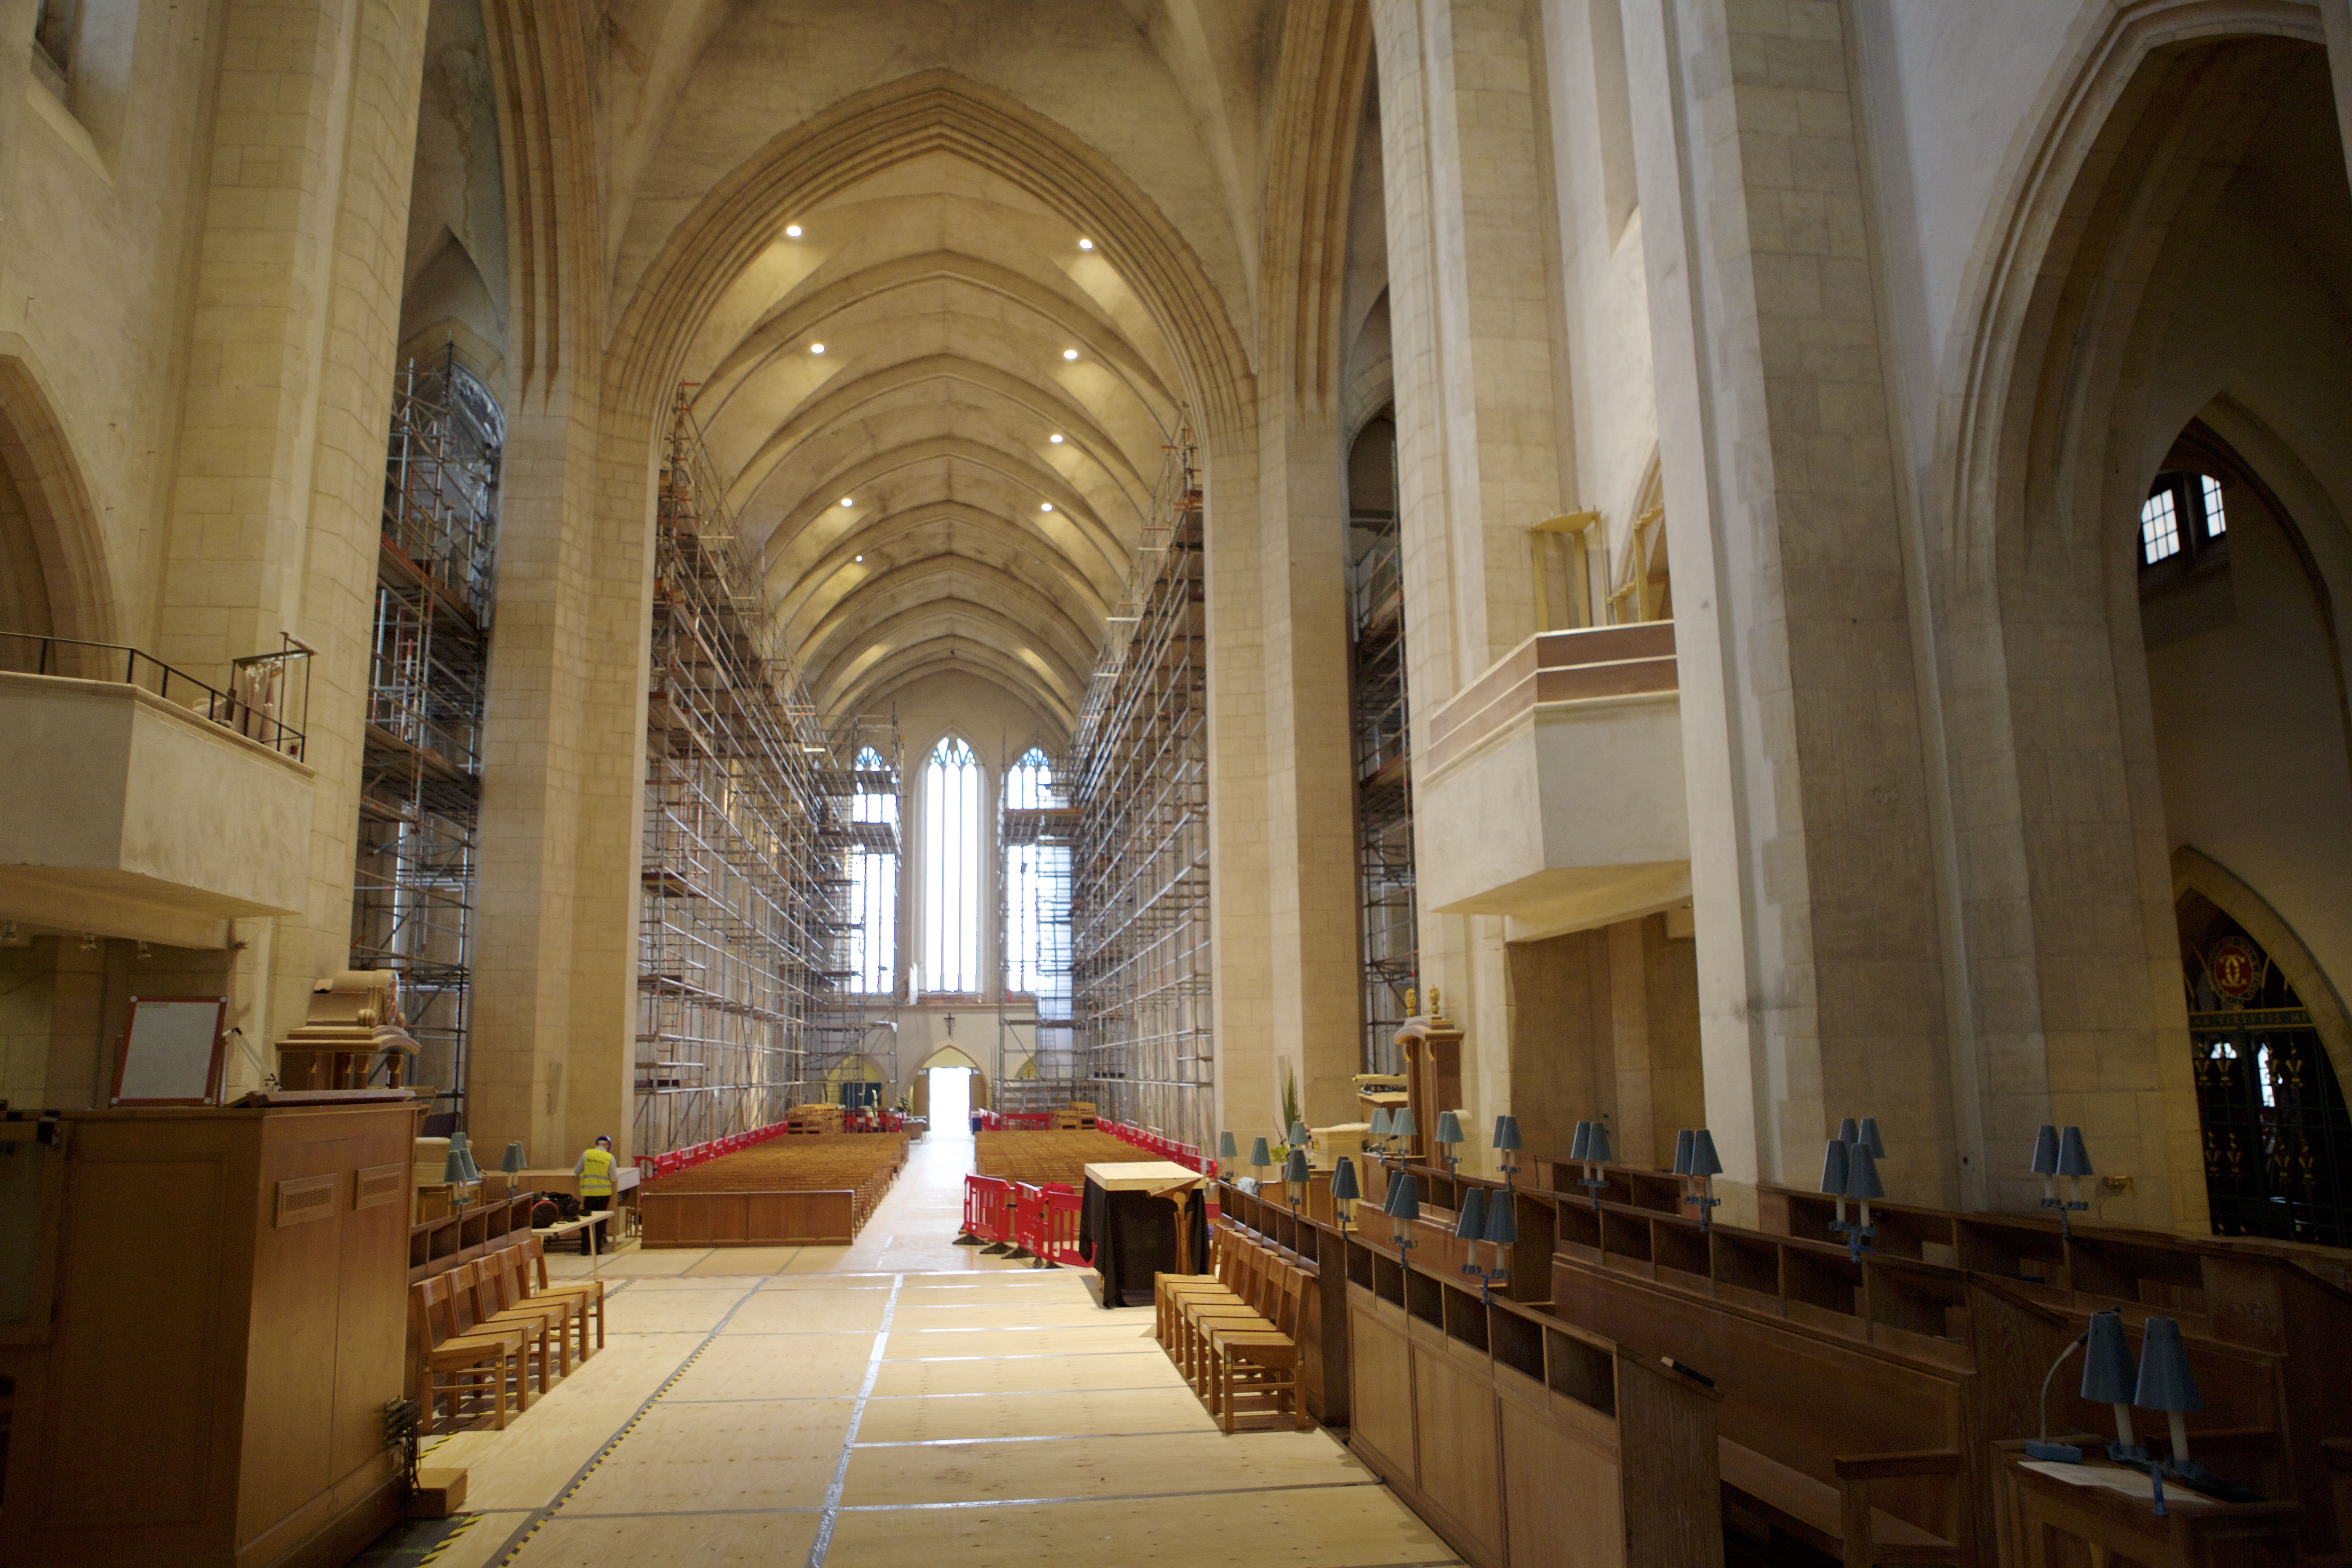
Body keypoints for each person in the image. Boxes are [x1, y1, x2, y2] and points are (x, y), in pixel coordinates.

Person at [573, 1134, 616, 1252]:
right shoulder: (610, 1158)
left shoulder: (587, 1154)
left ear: (597, 1145)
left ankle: (585, 1248)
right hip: (604, 1193)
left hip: (589, 1192)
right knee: (600, 1221)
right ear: (608, 1146)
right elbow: (613, 1178)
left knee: (588, 1219)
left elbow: (577, 1172)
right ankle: (597, 1249)